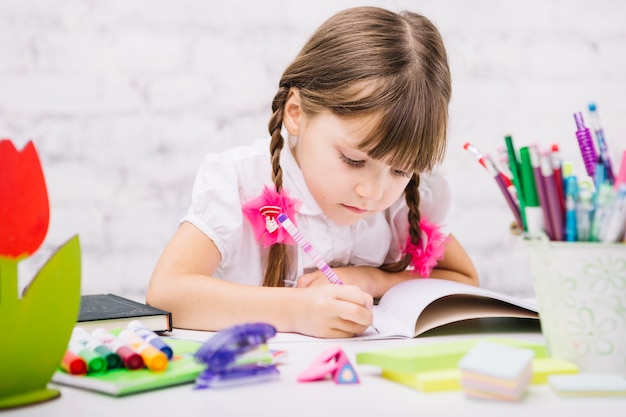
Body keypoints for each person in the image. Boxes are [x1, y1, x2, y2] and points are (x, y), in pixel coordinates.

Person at [147, 6, 479, 338]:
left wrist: (374, 280)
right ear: (296, 113)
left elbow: (465, 280)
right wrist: (298, 311)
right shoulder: (241, 181)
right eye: (353, 160)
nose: (374, 192)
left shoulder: (405, 202)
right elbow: (167, 293)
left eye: (400, 170)